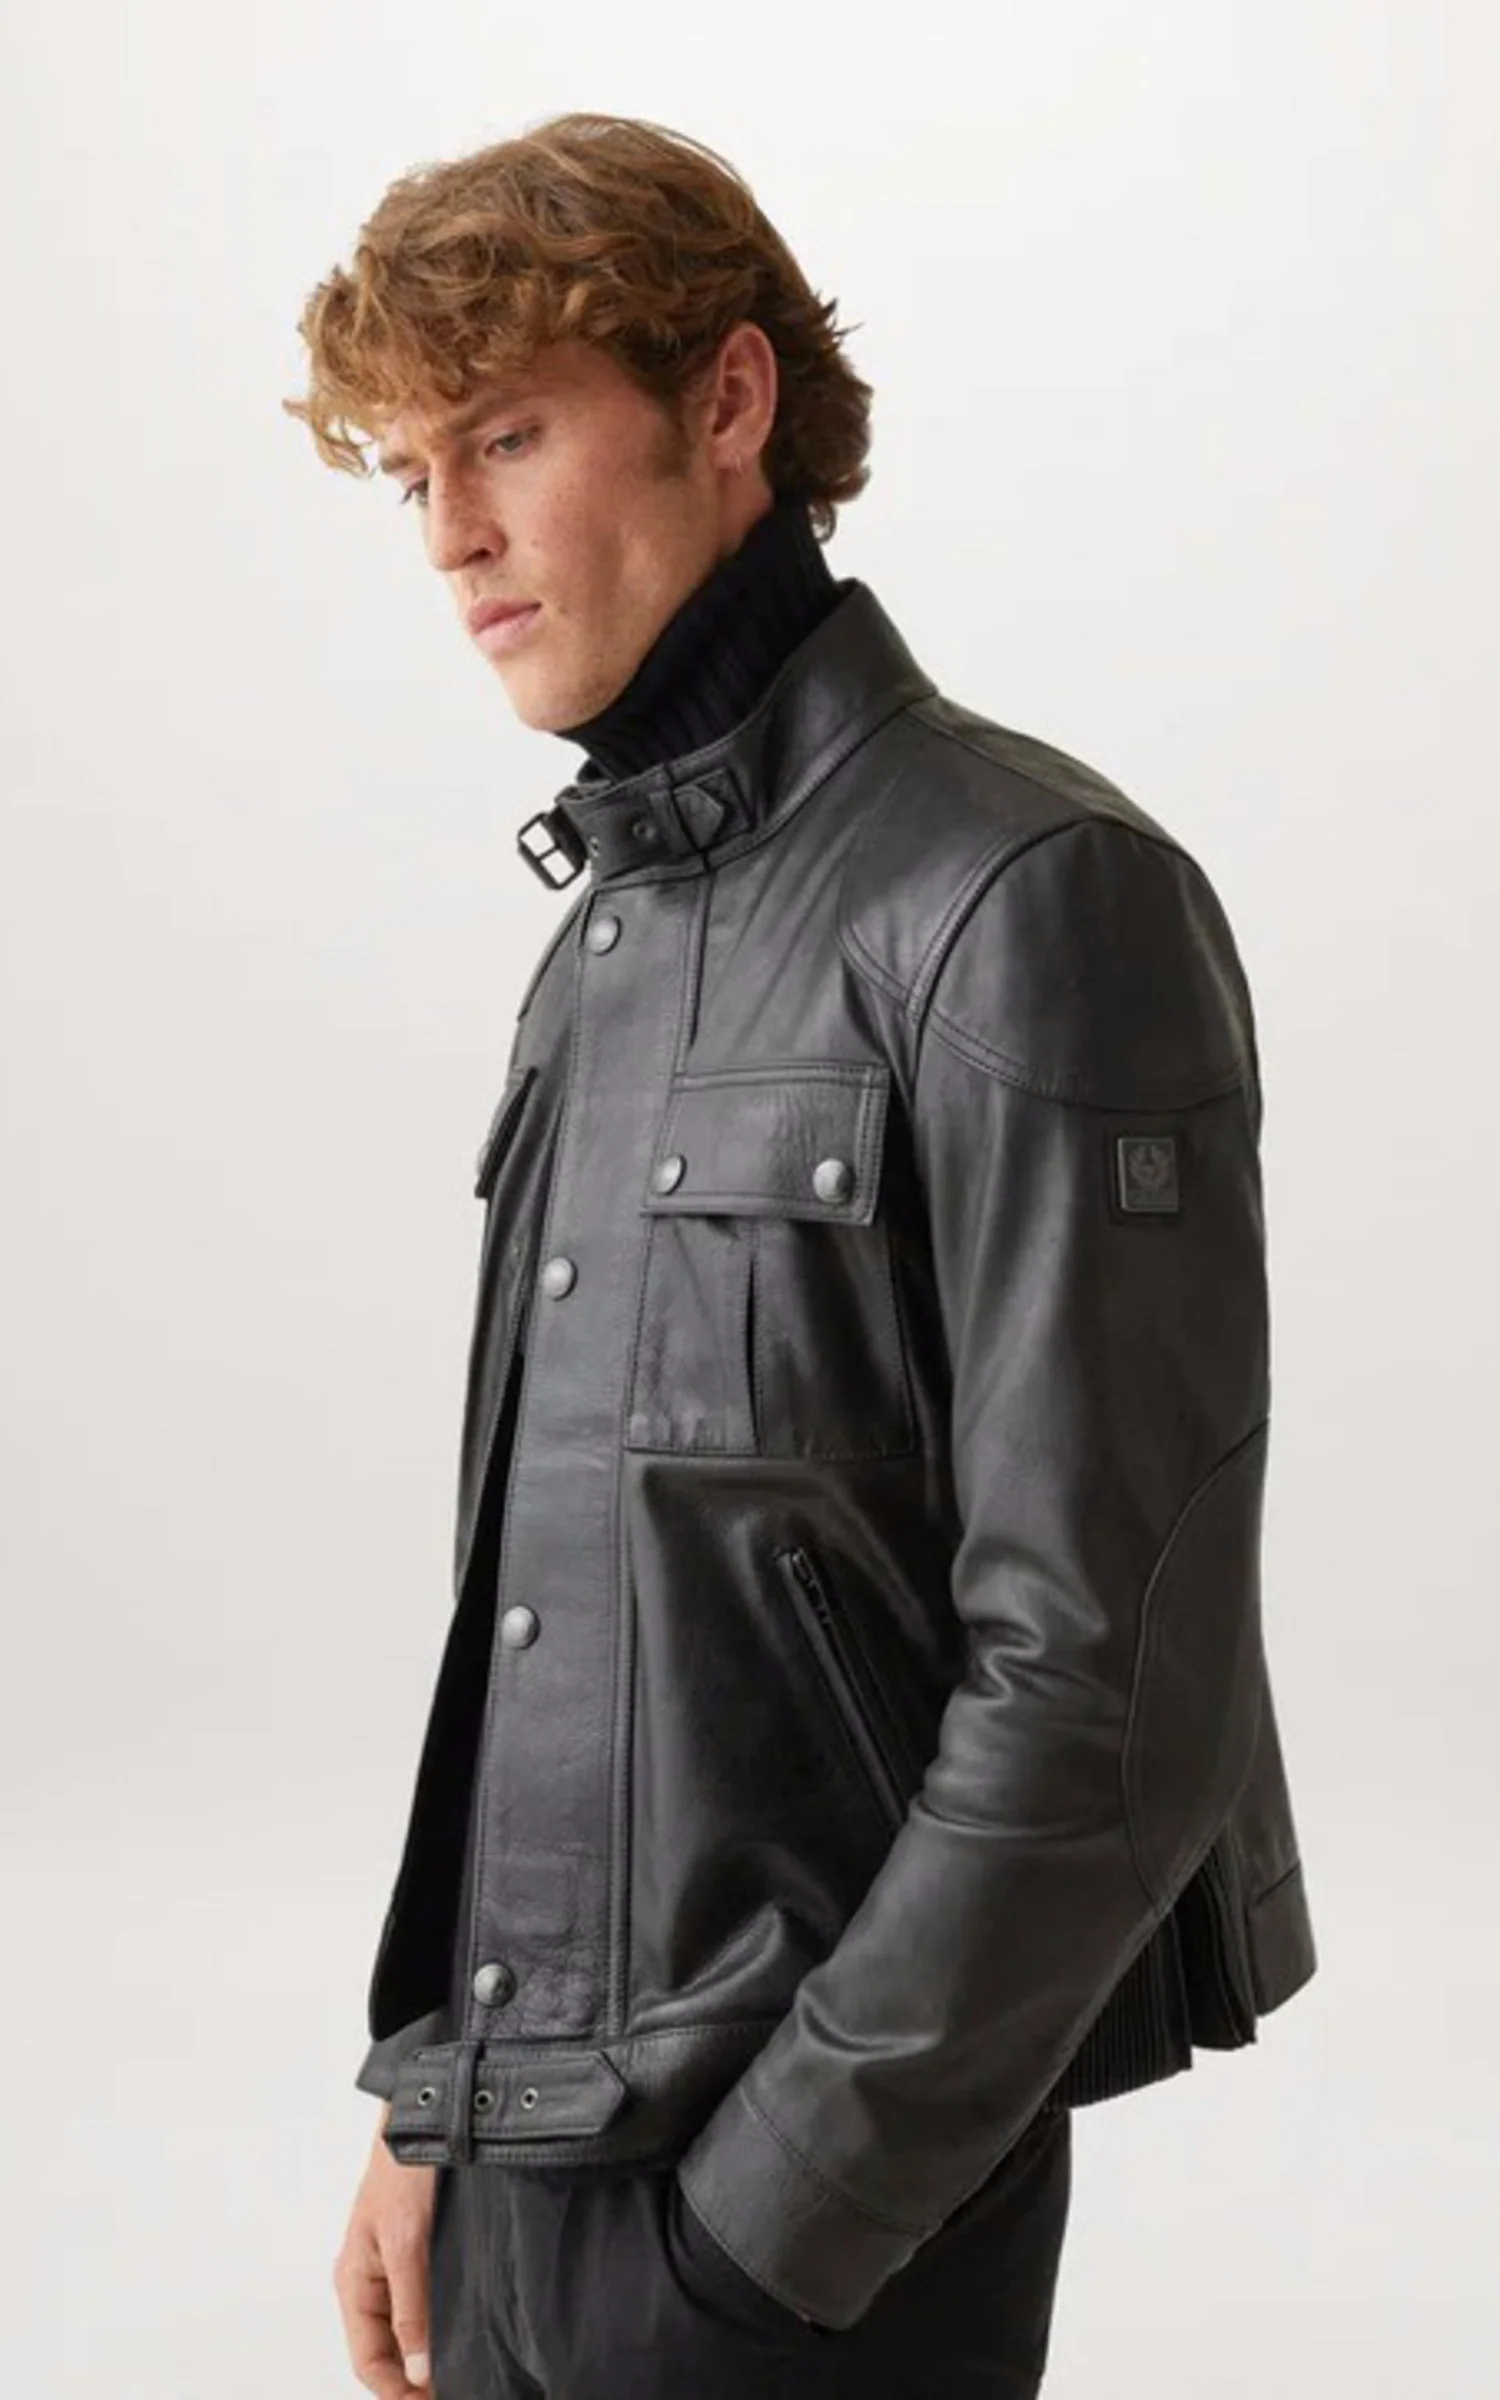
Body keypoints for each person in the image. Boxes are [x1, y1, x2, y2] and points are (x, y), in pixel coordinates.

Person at [286, 109, 1318, 2400]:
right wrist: (444, 2097)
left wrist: (774, 2230)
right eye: (409, 471)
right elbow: (562, 1619)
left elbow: (1109, 1690)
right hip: (520, 2190)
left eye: (506, 435)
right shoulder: (607, 941)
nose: (448, 533)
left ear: (729, 400)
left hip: (806, 2244)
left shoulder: (1028, 902)